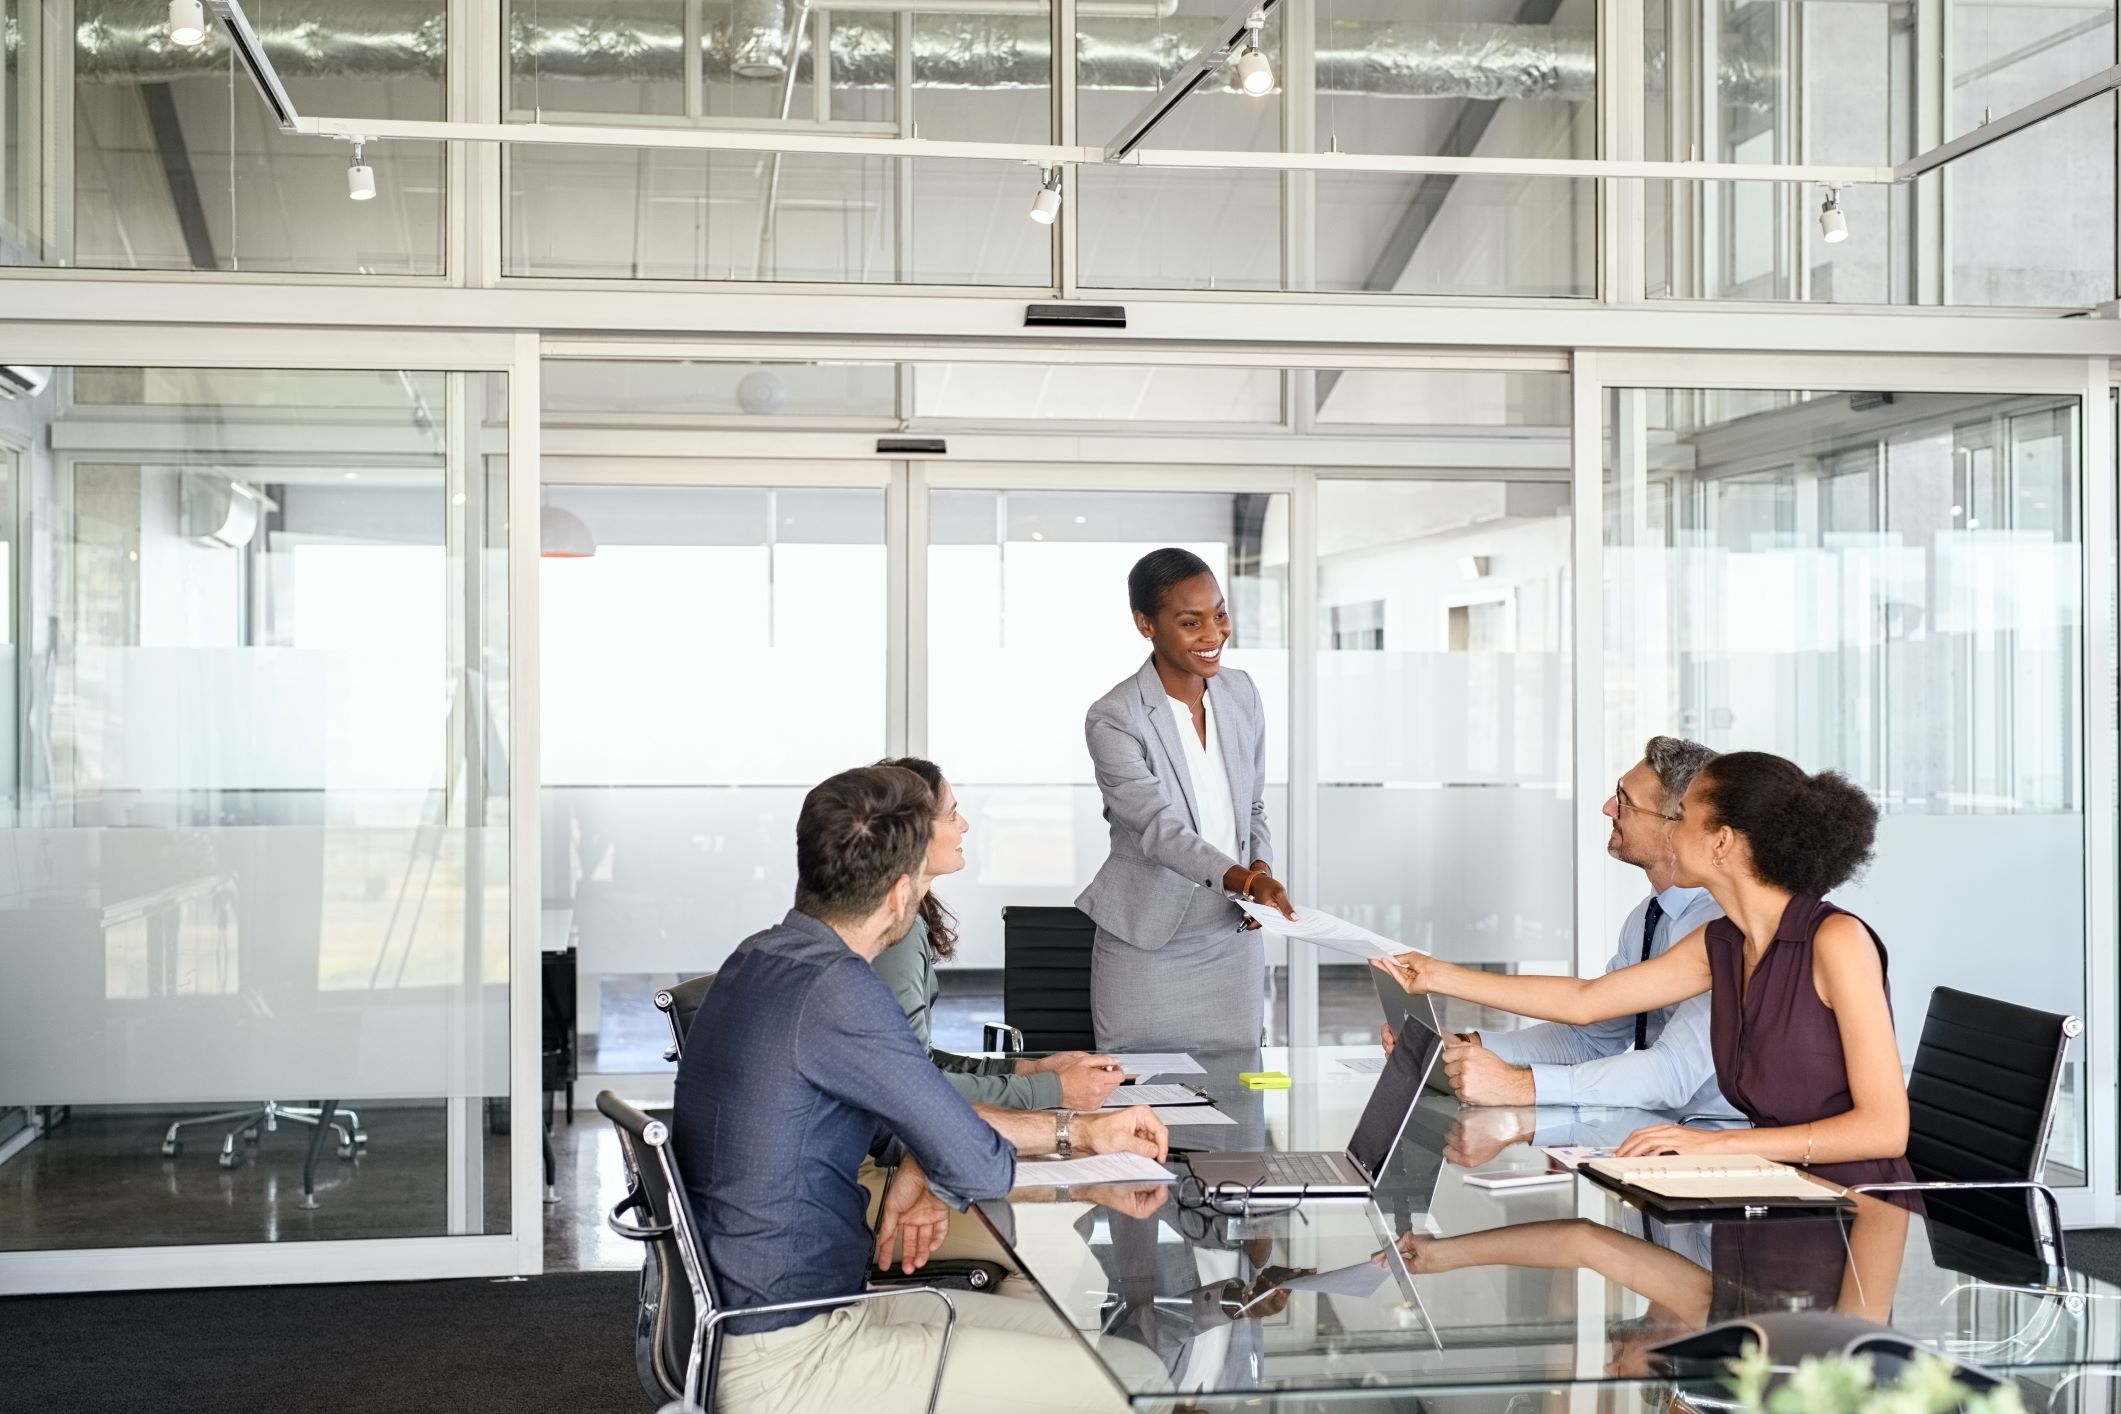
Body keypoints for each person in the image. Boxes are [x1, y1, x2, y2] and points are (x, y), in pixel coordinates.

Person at [674, 764, 1171, 1414]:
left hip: (773, 1320)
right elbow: (967, 1158)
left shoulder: (760, 956)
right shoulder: (841, 989)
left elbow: (914, 1121)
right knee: (1140, 1379)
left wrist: (1070, 1134)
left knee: (1094, 1349)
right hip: (796, 1357)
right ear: (900, 895)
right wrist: (1078, 1159)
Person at [1376, 750, 1916, 1192]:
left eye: (1681, 819)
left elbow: (1885, 1130)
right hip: (1769, 1189)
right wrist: (1436, 974)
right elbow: (1587, 1002)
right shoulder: (1722, 940)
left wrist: (1718, 1145)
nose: (1670, 832)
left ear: (1722, 841)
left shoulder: (1836, 940)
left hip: (1855, 1208)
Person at [1400, 736, 1736, 1118]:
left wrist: (1518, 1085)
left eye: (1624, 800)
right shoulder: (1647, 917)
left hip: (1721, 1141)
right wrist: (1470, 1047)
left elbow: (1669, 1073)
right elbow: (1591, 1034)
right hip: (1658, 1129)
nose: (1609, 808)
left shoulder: (1725, 928)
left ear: (1676, 823)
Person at [1078, 548, 1298, 1052]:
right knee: (1142, 1106)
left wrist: (1259, 865)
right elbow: (1158, 829)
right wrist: (1247, 880)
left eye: (1219, 614)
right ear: (1145, 624)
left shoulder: (1241, 693)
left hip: (1231, 937)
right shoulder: (1115, 717)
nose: (1214, 634)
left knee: (1239, 1104)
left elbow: (1253, 806)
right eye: (1190, 621)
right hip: (1148, 945)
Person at [871, 757, 1126, 1112]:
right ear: (914, 831)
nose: (964, 825)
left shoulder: (903, 919)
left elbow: (917, 1063)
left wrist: (1026, 1070)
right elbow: (911, 1086)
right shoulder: (894, 934)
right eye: (951, 815)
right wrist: (1050, 1091)